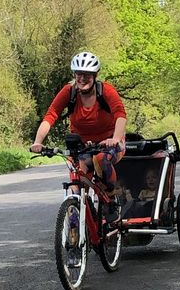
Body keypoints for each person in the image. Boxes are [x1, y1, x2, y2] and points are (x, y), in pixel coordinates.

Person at [30, 51, 127, 222]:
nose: (82, 78)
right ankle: (76, 229)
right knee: (76, 184)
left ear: (95, 76)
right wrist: (38, 142)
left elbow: (120, 115)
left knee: (100, 160)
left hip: (108, 143)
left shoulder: (106, 91)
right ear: (74, 75)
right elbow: (50, 116)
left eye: (87, 75)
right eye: (79, 74)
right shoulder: (69, 92)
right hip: (82, 146)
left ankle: (111, 199)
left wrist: (116, 139)